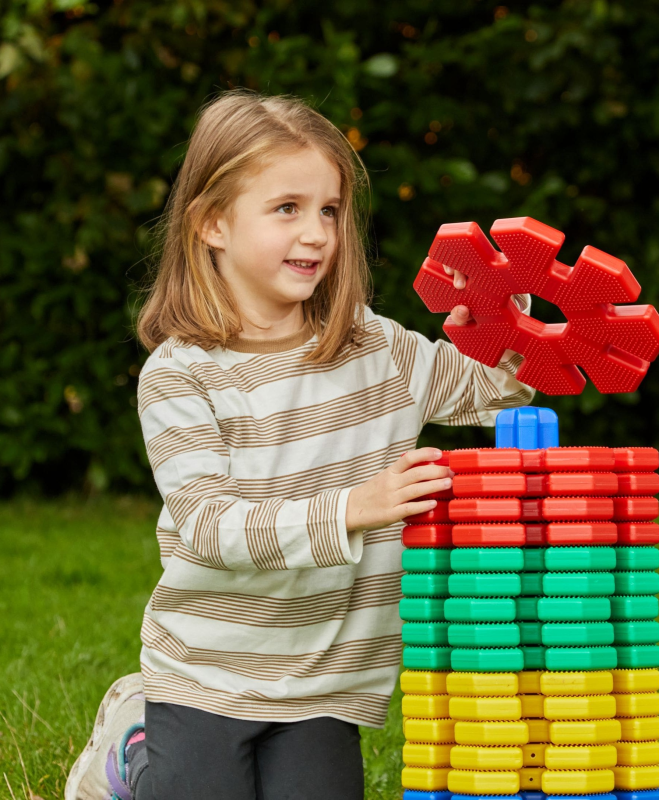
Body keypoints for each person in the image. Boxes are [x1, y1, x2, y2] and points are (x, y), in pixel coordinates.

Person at [66, 89, 534, 800]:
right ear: (213, 223)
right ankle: (133, 754)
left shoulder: (376, 347)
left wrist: (505, 325)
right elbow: (210, 526)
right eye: (287, 208)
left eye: (330, 210)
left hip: (326, 678)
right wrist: (351, 508)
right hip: (206, 672)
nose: (317, 232)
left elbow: (490, 390)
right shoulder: (180, 375)